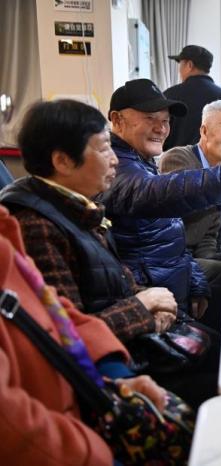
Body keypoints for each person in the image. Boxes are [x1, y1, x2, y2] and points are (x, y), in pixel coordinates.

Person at [100, 78, 221, 326]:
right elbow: (157, 193)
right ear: (117, 119)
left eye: (165, 121)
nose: (161, 128)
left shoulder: (142, 162)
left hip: (170, 279)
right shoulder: (116, 166)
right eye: (150, 118)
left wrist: (196, 281)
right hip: (150, 294)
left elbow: (176, 242)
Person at [0, 204, 170, 465]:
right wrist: (93, 452)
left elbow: (57, 313)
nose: (114, 163)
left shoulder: (7, 231)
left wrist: (112, 379)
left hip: (82, 408)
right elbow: (13, 429)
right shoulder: (35, 221)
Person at [0, 99, 178, 343]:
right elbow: (68, 335)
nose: (115, 160)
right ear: (62, 161)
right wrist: (143, 306)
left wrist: (155, 302)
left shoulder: (79, 208)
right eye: (104, 150)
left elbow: (117, 283)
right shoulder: (35, 227)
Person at [159, 100, 221, 331]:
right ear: (204, 131)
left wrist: (216, 256)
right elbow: (184, 205)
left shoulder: (218, 172)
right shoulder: (178, 159)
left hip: (192, 256)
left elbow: (208, 235)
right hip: (170, 257)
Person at [163, 45, 221, 150]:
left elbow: (159, 131)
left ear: (189, 65)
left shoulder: (170, 95)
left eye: (180, 64)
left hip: (175, 159)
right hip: (217, 160)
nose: (179, 70)